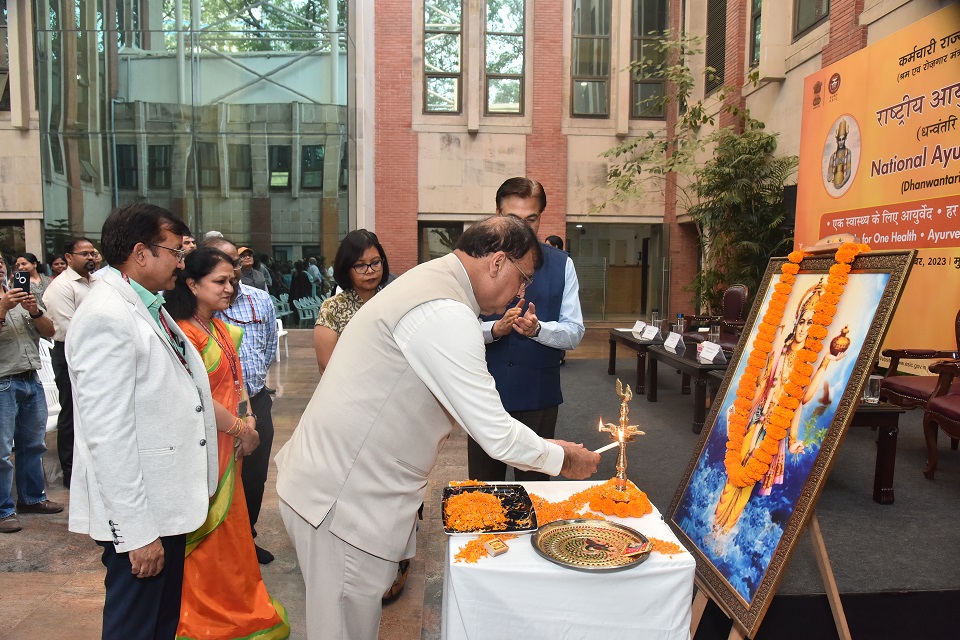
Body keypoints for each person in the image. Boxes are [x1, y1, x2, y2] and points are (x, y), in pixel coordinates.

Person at [275, 216, 600, 640]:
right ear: (498, 262)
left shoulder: (432, 281)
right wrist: (564, 458)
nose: (522, 293)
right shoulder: (445, 311)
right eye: (523, 279)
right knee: (344, 629)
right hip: (342, 503)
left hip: (341, 487)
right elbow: (495, 433)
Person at [67, 203, 219, 639]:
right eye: (174, 252)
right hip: (142, 513)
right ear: (140, 253)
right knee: (135, 627)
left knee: (160, 625)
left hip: (164, 502)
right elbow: (107, 434)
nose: (181, 262)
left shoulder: (147, 303)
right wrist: (136, 533)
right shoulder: (106, 316)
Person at [164, 246, 289, 639]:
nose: (230, 288)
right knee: (209, 530)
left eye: (232, 280)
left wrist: (248, 417)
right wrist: (241, 429)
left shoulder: (219, 327)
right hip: (205, 447)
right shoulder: (183, 333)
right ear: (191, 284)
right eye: (219, 281)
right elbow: (196, 397)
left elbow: (237, 380)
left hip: (230, 443)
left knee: (234, 527)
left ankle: (237, 601)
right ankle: (208, 613)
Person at [468, 177, 585, 482]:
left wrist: (538, 330)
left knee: (535, 491)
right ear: (497, 214)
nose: (522, 227)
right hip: (484, 397)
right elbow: (459, 328)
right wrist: (494, 330)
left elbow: (574, 332)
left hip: (538, 395)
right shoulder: (475, 262)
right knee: (483, 489)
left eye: (531, 219)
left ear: (541, 218)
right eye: (512, 218)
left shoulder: (562, 265)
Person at [712, 279, 844, 534]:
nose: (804, 327)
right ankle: (716, 524)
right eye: (803, 321)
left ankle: (725, 531)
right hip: (756, 418)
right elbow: (762, 386)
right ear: (797, 322)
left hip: (775, 427)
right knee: (736, 472)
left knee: (748, 480)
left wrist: (825, 362)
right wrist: (741, 411)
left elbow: (801, 401)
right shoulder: (779, 352)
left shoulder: (806, 363)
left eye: (811, 323)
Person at [205, 237, 280, 565]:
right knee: (218, 478)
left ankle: (245, 539)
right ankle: (216, 546)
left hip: (255, 401)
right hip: (214, 410)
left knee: (254, 476)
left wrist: (251, 390)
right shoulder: (196, 304)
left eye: (234, 263)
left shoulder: (259, 299)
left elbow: (269, 345)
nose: (230, 272)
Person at [0, 261, 61, 534]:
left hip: (31, 379)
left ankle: (32, 498)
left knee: (33, 445)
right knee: (2, 452)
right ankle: (3, 511)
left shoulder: (21, 295)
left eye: (0, 262)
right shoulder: (7, 302)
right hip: (3, 381)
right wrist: (3, 308)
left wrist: (34, 311)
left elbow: (49, 331)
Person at [43, 238, 100, 488]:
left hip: (97, 352)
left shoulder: (97, 282)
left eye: (93, 253)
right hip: (70, 352)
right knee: (71, 412)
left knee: (94, 412)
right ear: (68, 257)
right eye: (84, 254)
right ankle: (70, 471)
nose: (90, 258)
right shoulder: (61, 287)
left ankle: (93, 467)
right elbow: (72, 328)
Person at [313, 230, 389, 373]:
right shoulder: (332, 308)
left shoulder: (391, 302)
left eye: (375, 263)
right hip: (347, 384)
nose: (370, 270)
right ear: (346, 268)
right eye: (360, 265)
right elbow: (326, 366)